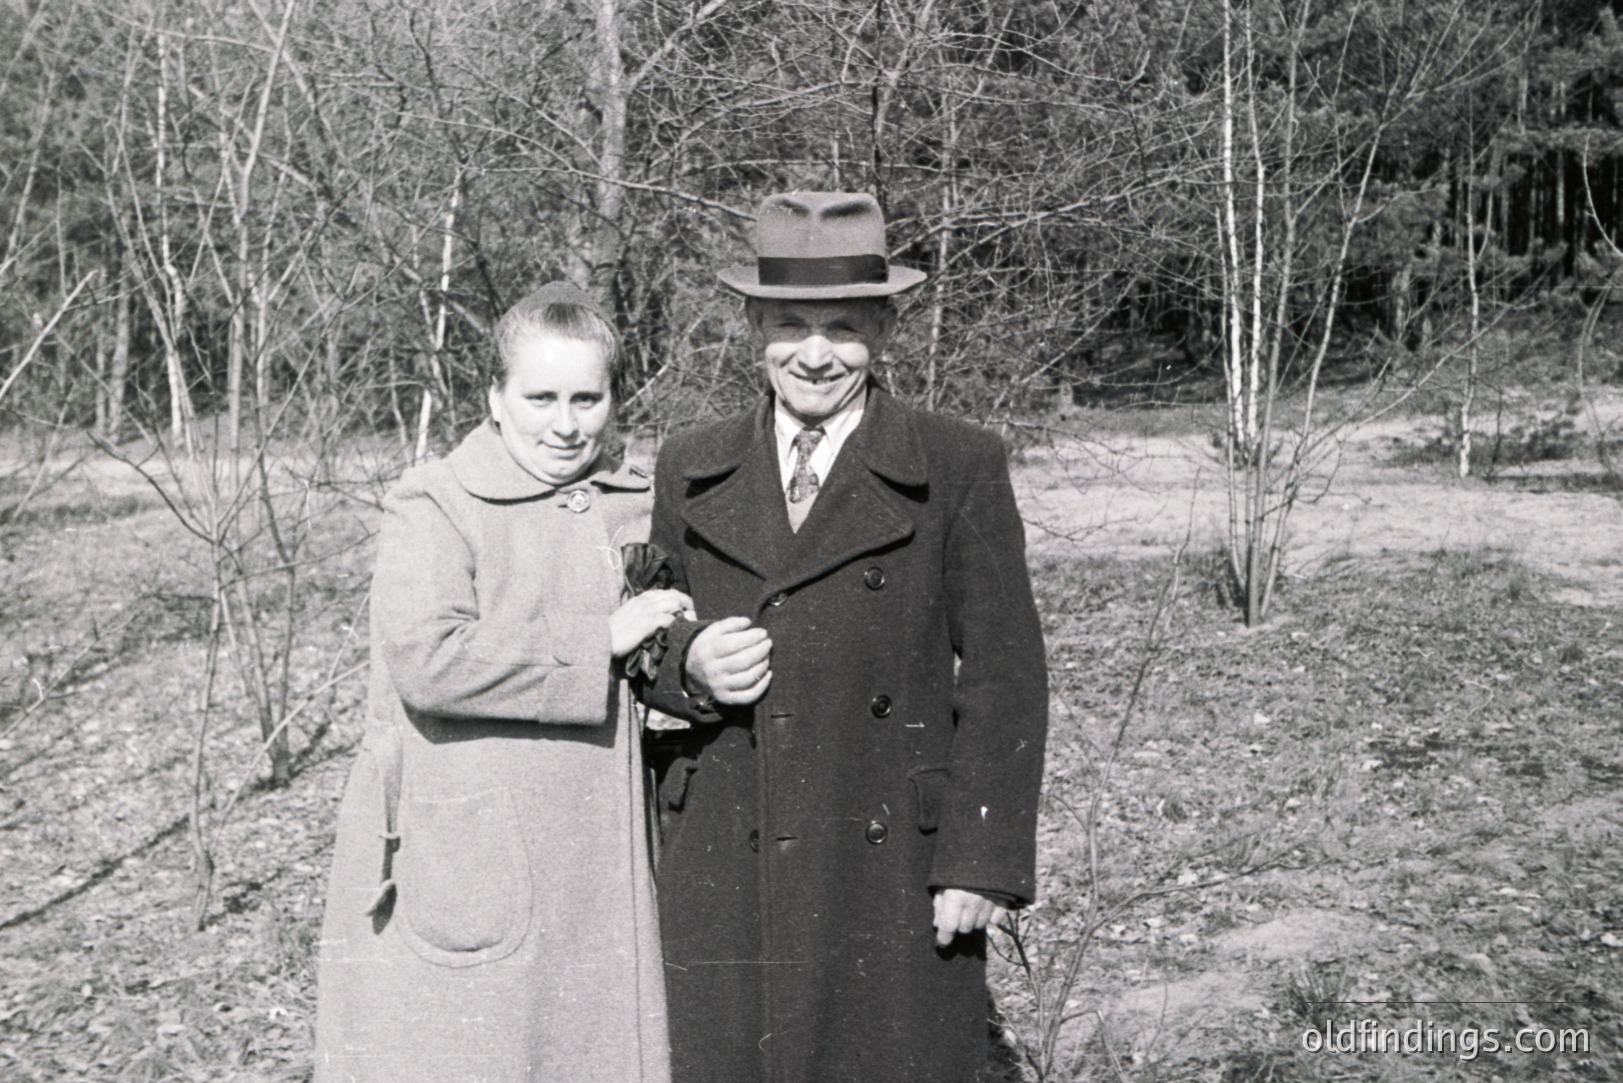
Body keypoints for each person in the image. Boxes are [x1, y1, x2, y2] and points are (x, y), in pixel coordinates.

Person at [639, 192, 1049, 1083]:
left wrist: (978, 859)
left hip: (889, 856)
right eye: (790, 324)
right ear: (754, 327)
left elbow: (1006, 675)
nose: (815, 354)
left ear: (884, 329)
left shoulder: (956, 462)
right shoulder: (689, 463)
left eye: (843, 328)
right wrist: (688, 665)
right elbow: (645, 636)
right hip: (728, 843)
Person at [314, 282, 687, 1083]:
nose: (565, 423)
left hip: (607, 866)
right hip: (474, 860)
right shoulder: (436, 503)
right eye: (540, 397)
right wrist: (598, 640)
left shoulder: (634, 504)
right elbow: (429, 659)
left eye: (587, 398)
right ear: (494, 397)